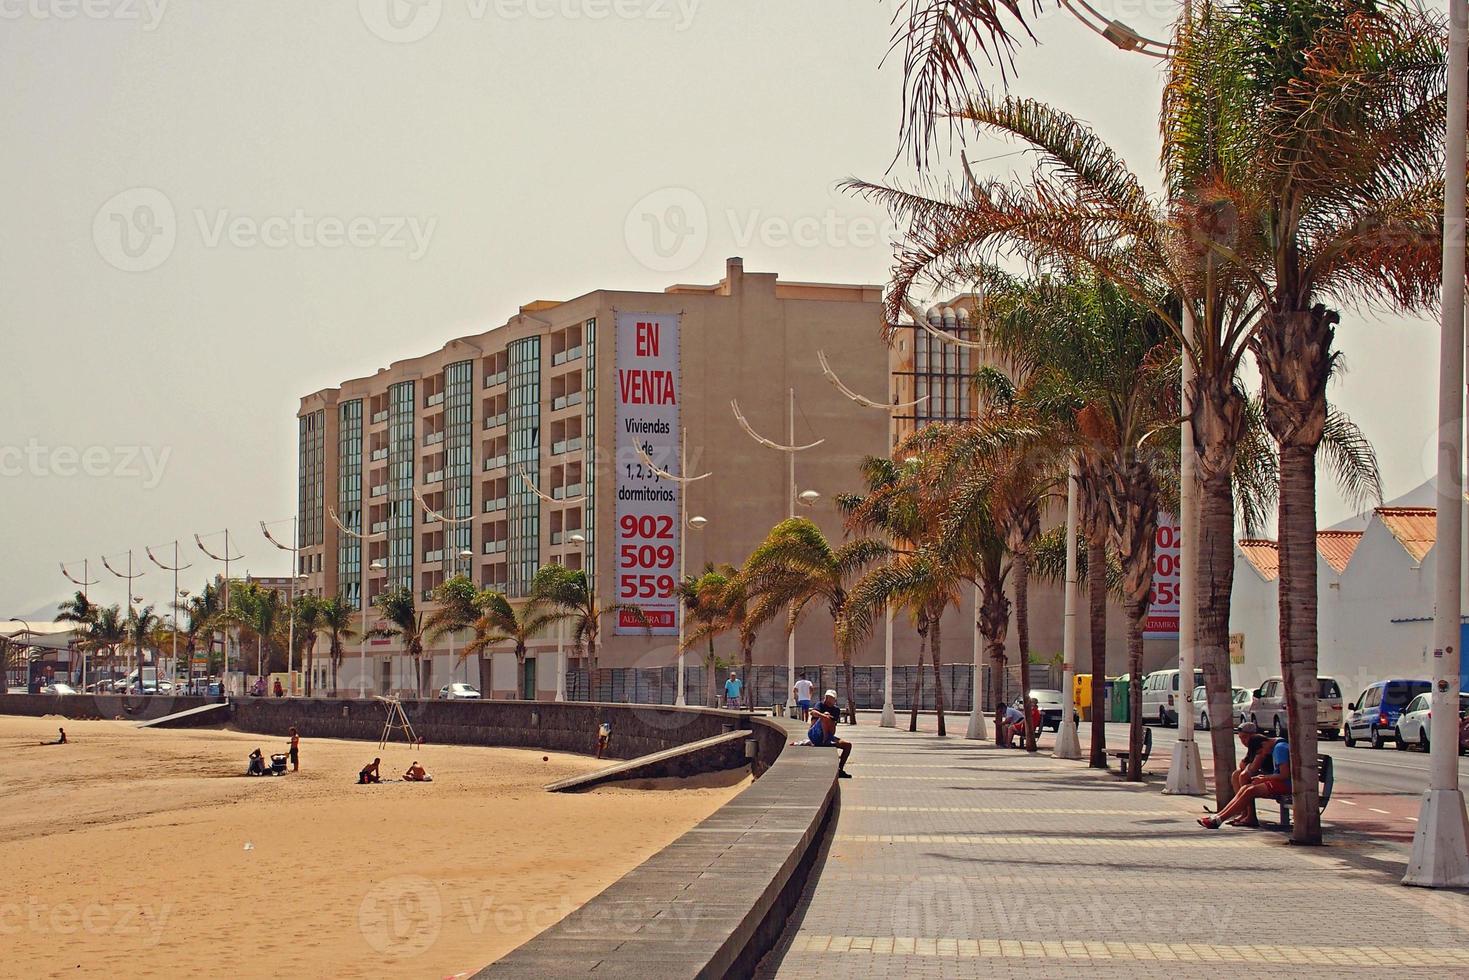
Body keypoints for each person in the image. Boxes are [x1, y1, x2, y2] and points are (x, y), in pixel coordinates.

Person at [1199, 737, 1290, 829]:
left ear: (1264, 744)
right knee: (1245, 788)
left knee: (1250, 791)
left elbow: (1284, 775)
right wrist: (1263, 778)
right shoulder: (1278, 746)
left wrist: (1264, 779)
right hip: (1280, 781)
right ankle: (1218, 816)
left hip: (1286, 784)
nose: (1264, 754)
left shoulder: (1279, 748)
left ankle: (1219, 819)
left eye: (1260, 751)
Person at [806, 690, 853, 778]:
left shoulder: (836, 710)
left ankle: (840, 769)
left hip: (829, 734)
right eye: (827, 697)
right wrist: (823, 716)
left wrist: (827, 719)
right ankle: (824, 740)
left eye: (830, 698)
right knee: (826, 715)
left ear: (834, 700)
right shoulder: (820, 705)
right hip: (814, 734)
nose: (828, 700)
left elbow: (832, 727)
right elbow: (813, 712)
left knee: (847, 745)